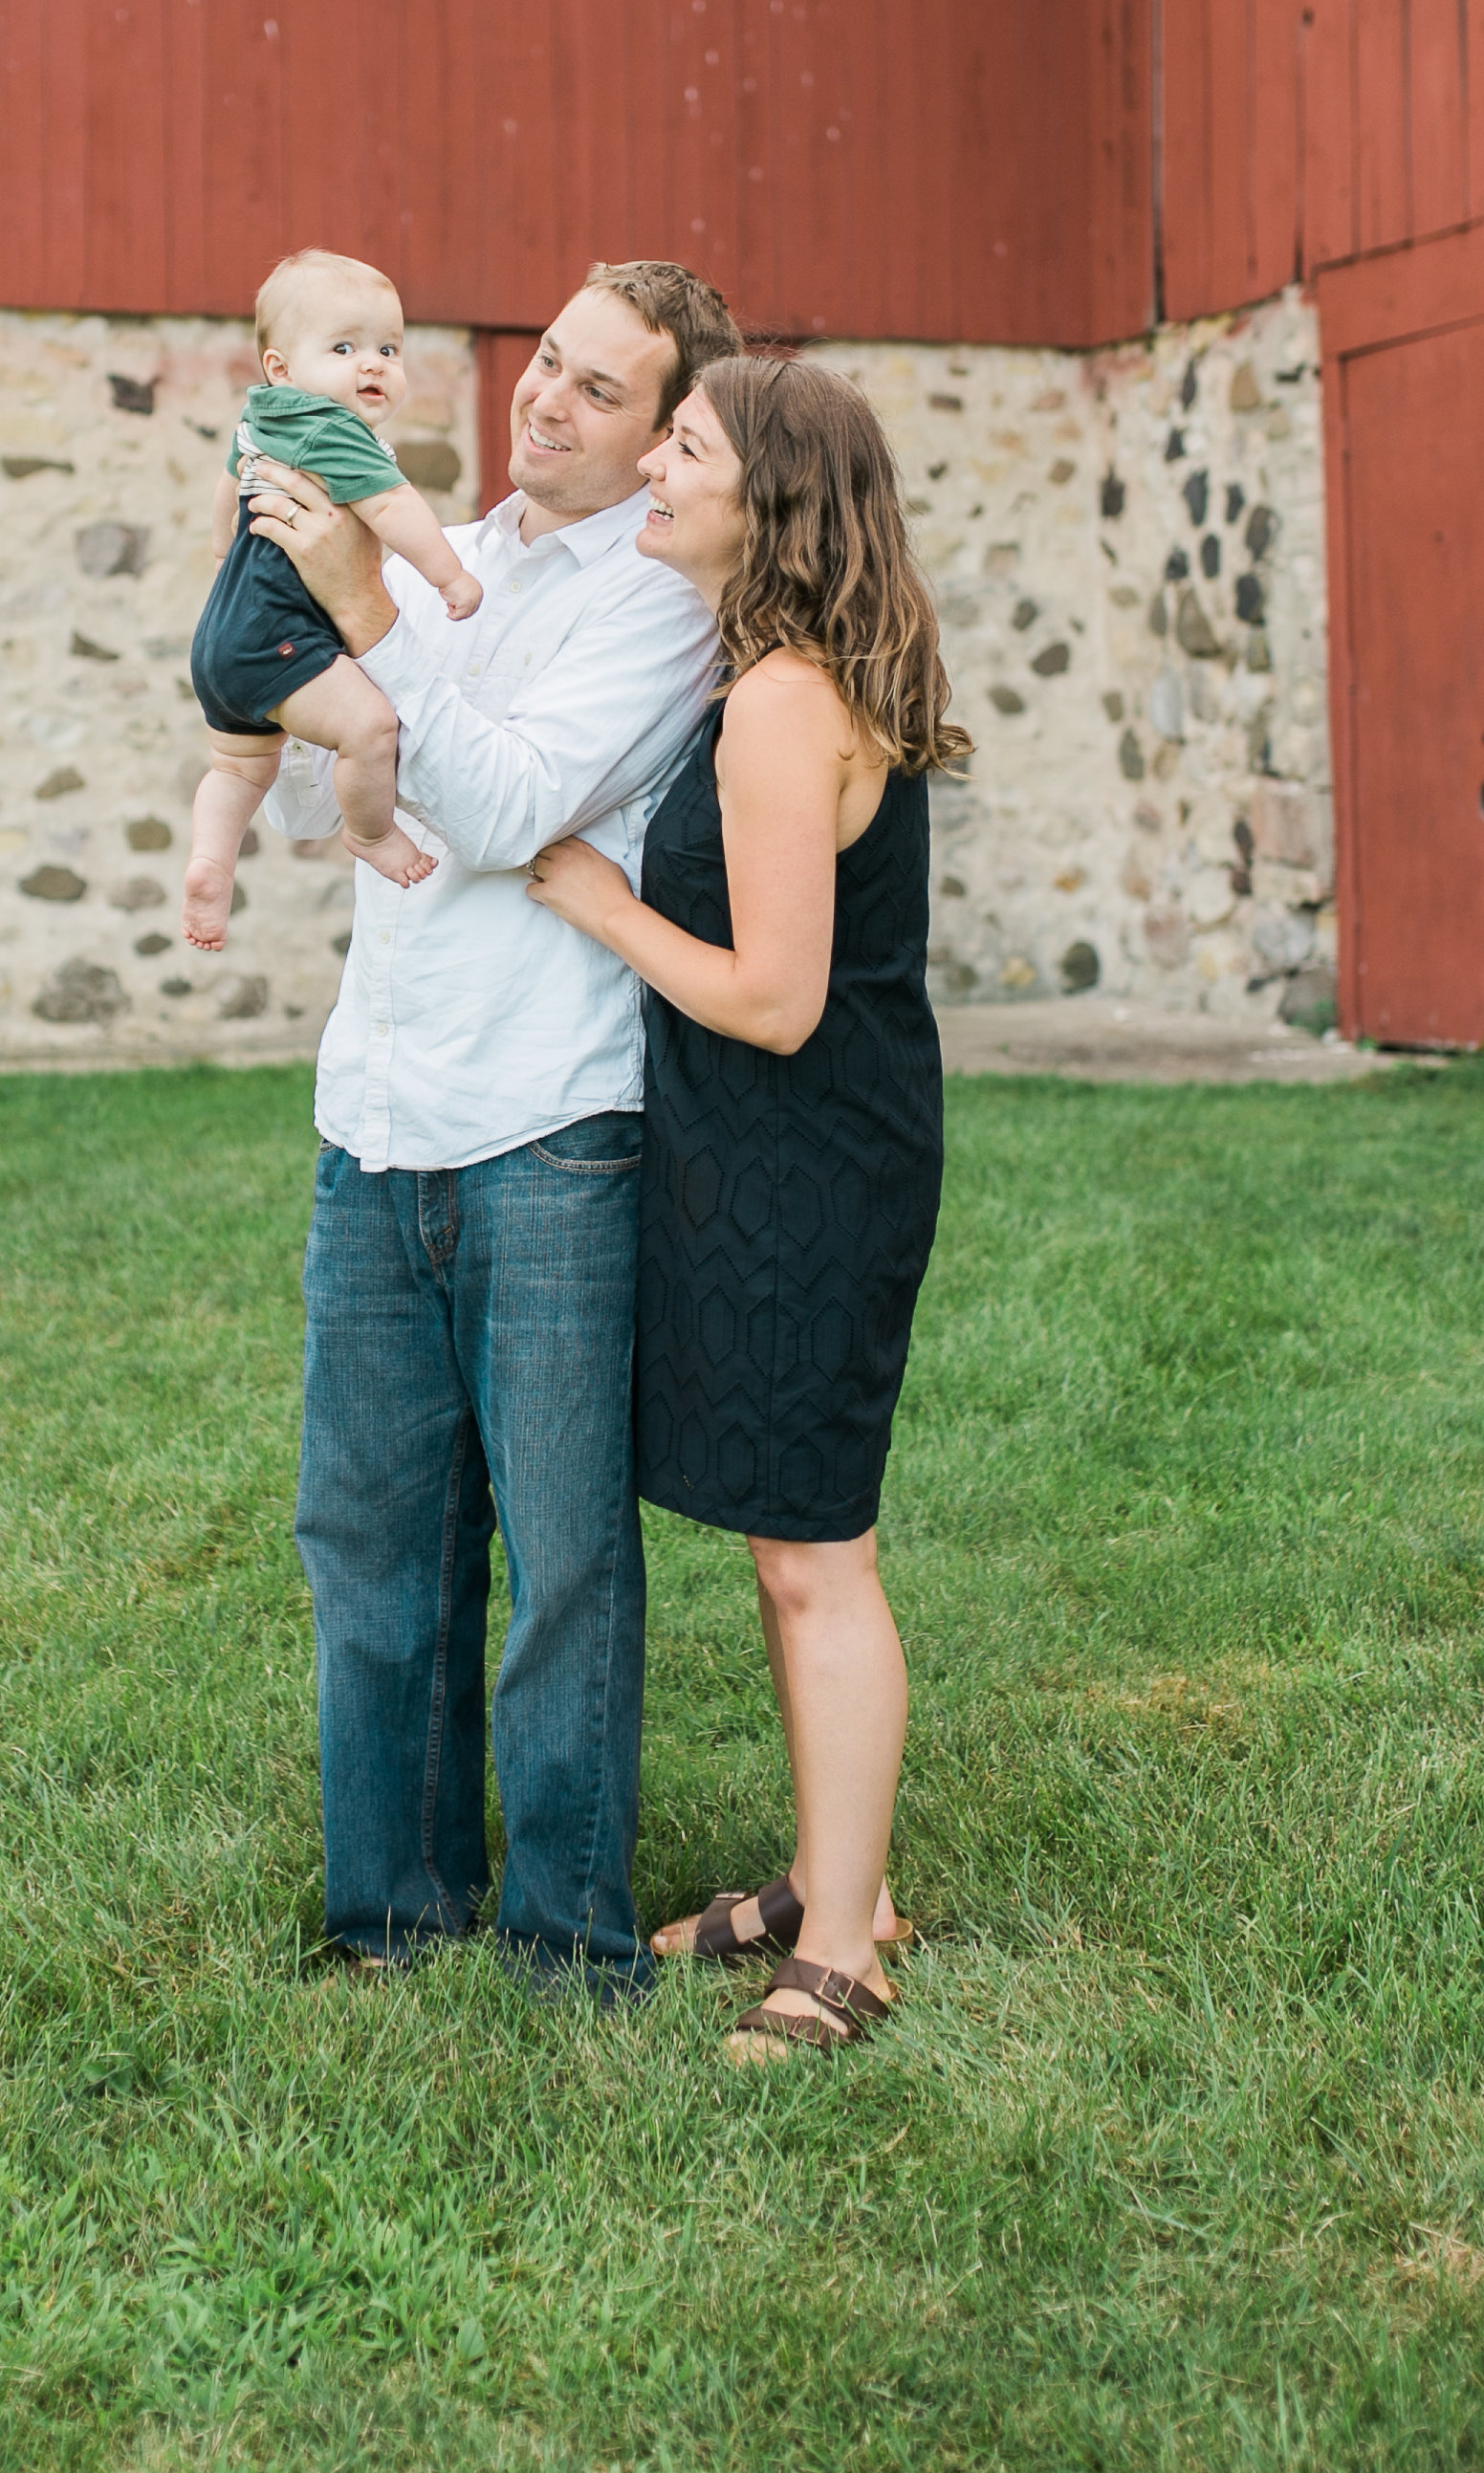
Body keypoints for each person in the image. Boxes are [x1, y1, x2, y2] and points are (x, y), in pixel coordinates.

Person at [242, 260, 742, 1993]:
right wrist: (330, 629)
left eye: (602, 392)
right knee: (371, 1542)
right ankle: (391, 1914)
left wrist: (370, 623)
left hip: (550, 1122)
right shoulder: (456, 551)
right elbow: (326, 788)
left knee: (566, 1563)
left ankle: (566, 1941)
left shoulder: (663, 604)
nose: (545, 402)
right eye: (547, 362)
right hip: (375, 1106)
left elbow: (521, 798)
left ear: (666, 430)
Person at [526, 355, 967, 2057]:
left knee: (816, 1557)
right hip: (767, 1155)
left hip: (813, 1159)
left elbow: (779, 999)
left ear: (764, 497)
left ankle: (845, 1948)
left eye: (684, 445)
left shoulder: (785, 700)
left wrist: (593, 900)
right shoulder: (775, 675)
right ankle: (819, 1872)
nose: (653, 465)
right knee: (790, 1548)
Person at [183, 251, 483, 951]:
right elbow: (395, 507)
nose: (372, 364)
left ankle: (209, 862)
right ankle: (371, 832)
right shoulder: (334, 430)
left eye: (388, 348)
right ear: (281, 368)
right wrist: (449, 578)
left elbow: (229, 485)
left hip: (222, 634)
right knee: (372, 729)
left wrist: (224, 546)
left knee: (237, 768)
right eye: (344, 347)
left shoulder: (261, 417)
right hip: (279, 634)